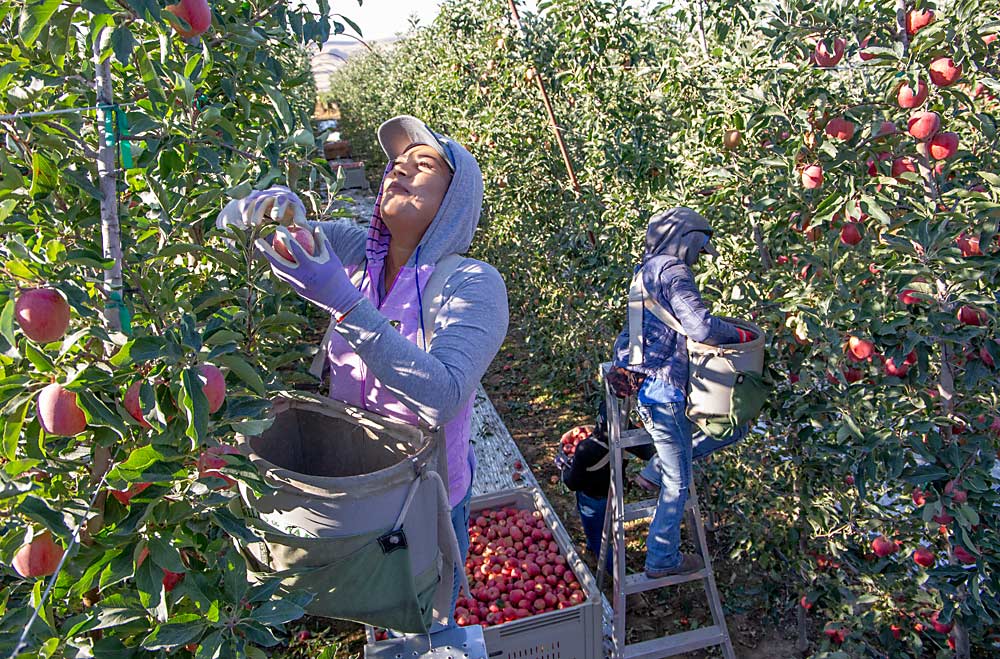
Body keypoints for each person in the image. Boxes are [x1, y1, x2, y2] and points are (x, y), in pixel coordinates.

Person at [222, 116, 509, 625]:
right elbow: (264, 242)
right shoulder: (356, 252)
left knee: (423, 619)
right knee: (362, 610)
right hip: (350, 487)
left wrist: (345, 304)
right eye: (395, 162)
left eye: (423, 164)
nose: (399, 168)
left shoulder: (473, 284)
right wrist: (259, 213)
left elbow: (443, 394)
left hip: (420, 500)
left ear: (454, 202)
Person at [607, 207, 753, 579]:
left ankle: (655, 468)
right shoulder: (673, 271)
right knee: (679, 479)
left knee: (733, 428)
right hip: (664, 390)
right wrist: (739, 336)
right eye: (699, 248)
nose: (698, 258)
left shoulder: (646, 270)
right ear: (686, 240)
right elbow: (700, 327)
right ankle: (661, 558)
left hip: (647, 384)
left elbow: (636, 334)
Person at [557, 399, 654, 572]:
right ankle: (593, 550)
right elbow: (648, 452)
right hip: (615, 492)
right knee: (606, 527)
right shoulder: (625, 439)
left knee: (598, 538)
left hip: (592, 499)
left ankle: (613, 572)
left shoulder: (585, 448)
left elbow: (572, 483)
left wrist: (564, 467)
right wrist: (630, 429)